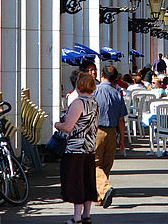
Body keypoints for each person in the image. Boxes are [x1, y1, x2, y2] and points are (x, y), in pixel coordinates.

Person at [55, 72, 99, 224]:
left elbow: (68, 127)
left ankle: (76, 217)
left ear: (78, 85)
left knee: (75, 182)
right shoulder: (94, 102)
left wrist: (57, 125)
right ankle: (86, 215)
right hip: (89, 148)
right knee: (87, 182)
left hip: (75, 149)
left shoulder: (78, 103)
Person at [92, 66, 128, 208]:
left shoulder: (94, 91)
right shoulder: (117, 94)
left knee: (94, 164)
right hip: (112, 132)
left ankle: (105, 189)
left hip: (97, 131)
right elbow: (121, 120)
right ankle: (99, 197)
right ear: (116, 80)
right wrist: (122, 140)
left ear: (102, 75)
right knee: (106, 165)